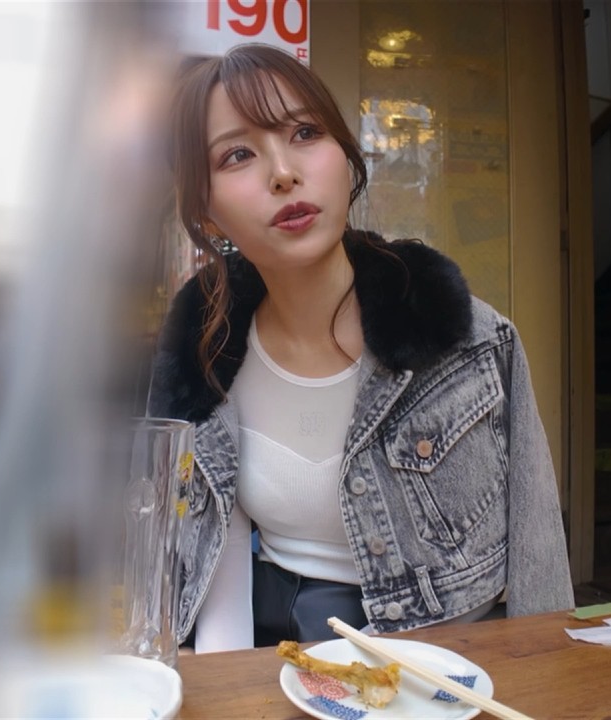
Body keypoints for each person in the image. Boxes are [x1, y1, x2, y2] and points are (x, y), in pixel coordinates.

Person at [149, 44, 573, 653]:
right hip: (282, 662)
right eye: (237, 154)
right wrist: (230, 691)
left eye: (305, 132)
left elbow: (540, 563)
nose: (282, 173)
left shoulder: (471, 341)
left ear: (346, 159)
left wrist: (544, 679)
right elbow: (217, 569)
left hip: (452, 671)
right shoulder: (205, 359)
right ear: (206, 213)